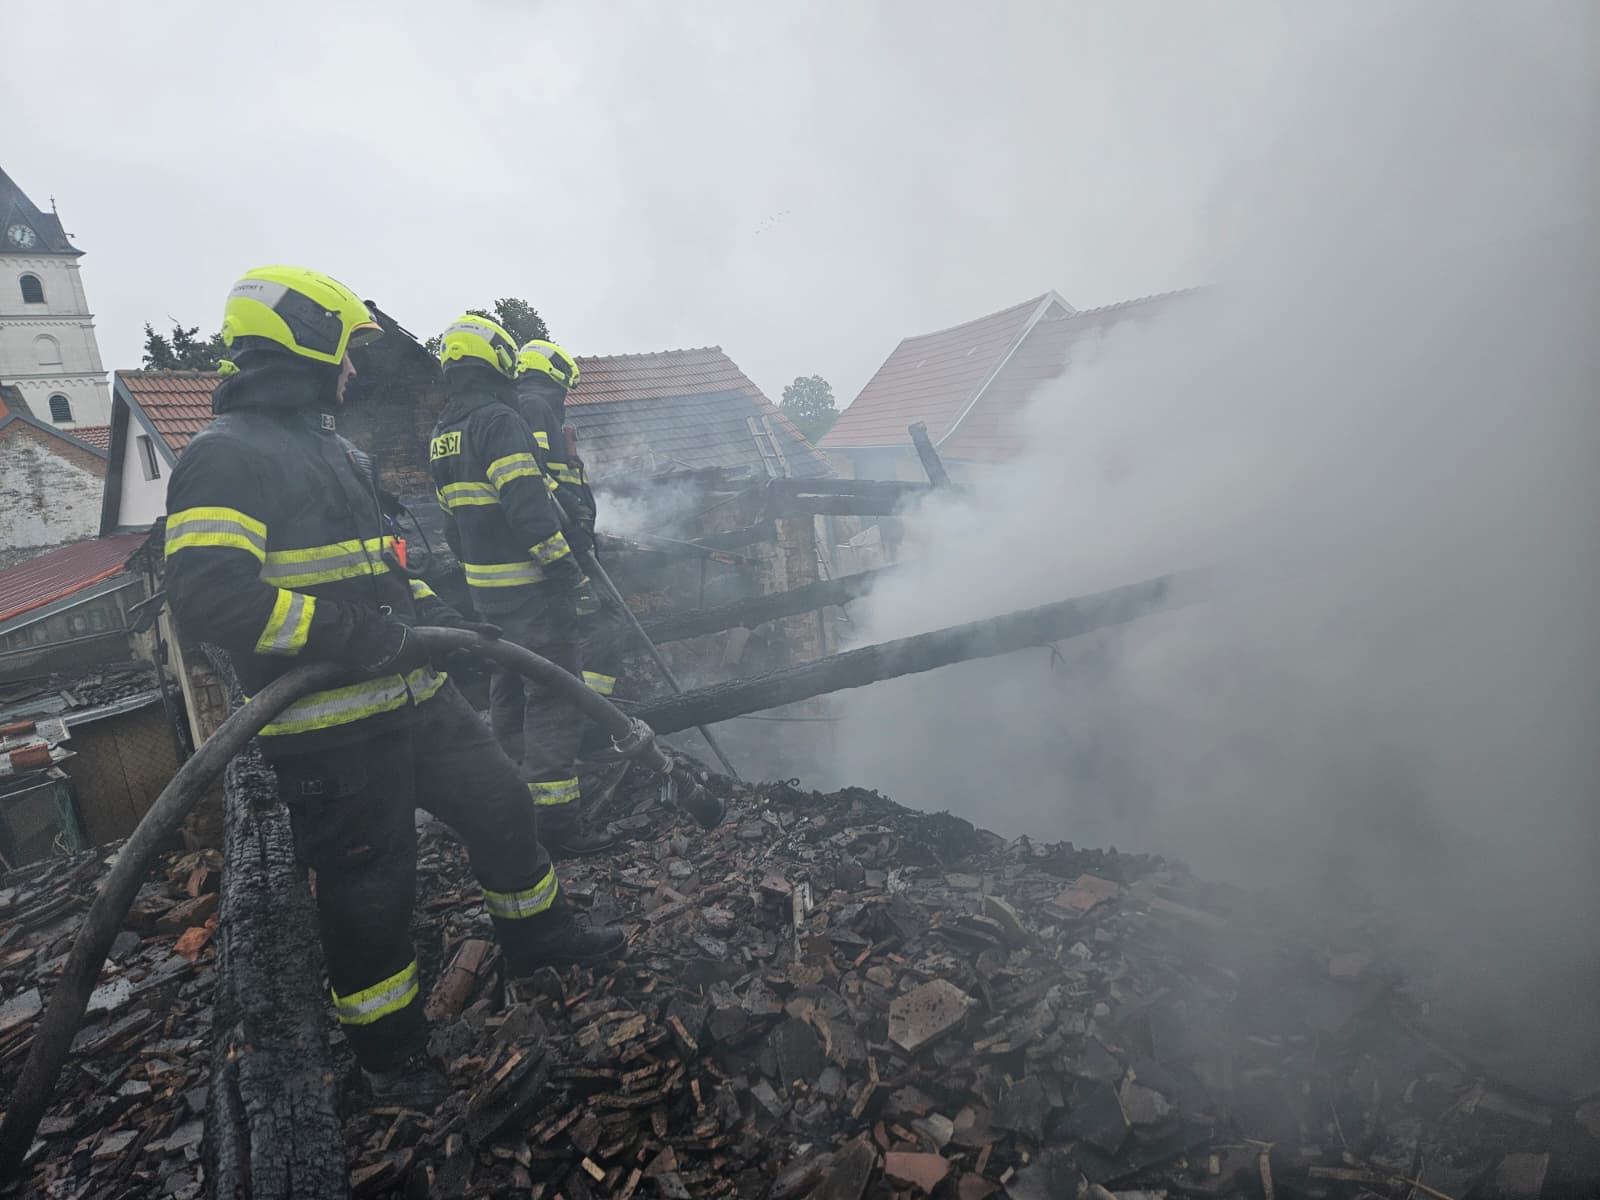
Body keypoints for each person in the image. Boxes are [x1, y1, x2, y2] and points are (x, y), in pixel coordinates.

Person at [163, 267, 624, 1108]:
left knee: (502, 804)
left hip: (415, 698)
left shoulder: (332, 449)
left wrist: (457, 629)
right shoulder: (222, 457)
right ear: (304, 340)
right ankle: (391, 1052)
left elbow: (386, 574)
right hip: (331, 729)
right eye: (346, 352)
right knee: (372, 889)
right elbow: (210, 595)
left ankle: (540, 936)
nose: (353, 371)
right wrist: (357, 638)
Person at [429, 317, 614, 857]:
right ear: (498, 360)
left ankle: (510, 803)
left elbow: (449, 526)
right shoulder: (499, 421)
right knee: (554, 695)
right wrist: (568, 577)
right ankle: (557, 825)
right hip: (532, 591)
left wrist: (479, 575)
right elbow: (531, 512)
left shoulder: (443, 434)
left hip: (486, 594)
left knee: (508, 690)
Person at [512, 340, 631, 707]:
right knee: (606, 619)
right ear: (554, 376)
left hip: (567, 538)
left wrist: (574, 462)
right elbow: (537, 475)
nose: (566, 396)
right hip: (563, 542)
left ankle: (591, 705)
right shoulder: (533, 407)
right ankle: (597, 709)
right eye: (565, 387)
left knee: (589, 624)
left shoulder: (535, 408)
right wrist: (573, 516)